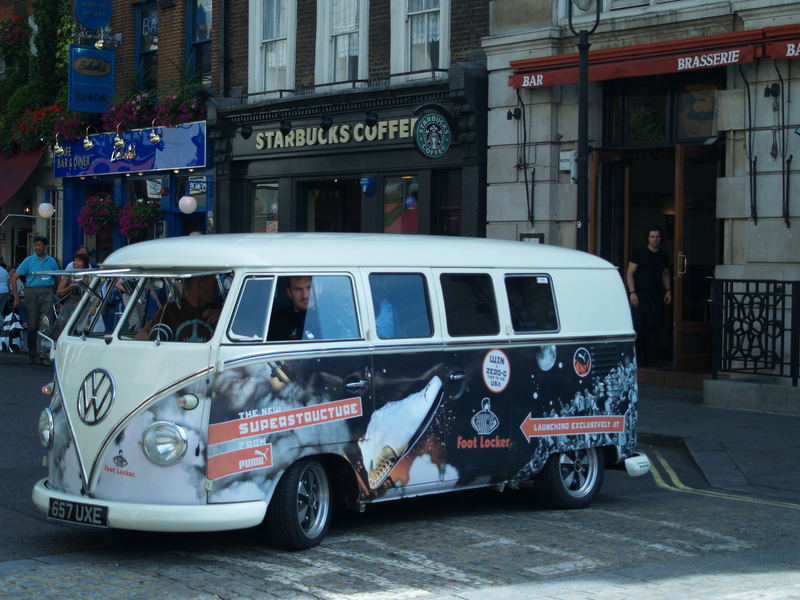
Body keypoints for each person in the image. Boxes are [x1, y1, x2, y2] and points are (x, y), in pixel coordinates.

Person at [626, 226, 672, 367]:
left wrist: (668, 290)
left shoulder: (663, 255)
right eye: (652, 236)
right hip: (640, 295)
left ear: (661, 238)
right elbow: (630, 273)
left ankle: (653, 358)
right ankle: (637, 357)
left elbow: (665, 273)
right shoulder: (640, 252)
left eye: (657, 237)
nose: (655, 239)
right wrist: (632, 293)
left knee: (655, 326)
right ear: (648, 238)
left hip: (656, 295)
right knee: (639, 325)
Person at [10, 236, 59, 365]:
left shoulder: (52, 261)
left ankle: (44, 354)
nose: (37, 247)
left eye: (39, 245)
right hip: (31, 293)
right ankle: (32, 353)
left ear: (45, 247)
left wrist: (58, 295)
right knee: (32, 325)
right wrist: (16, 297)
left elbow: (58, 278)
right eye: (35, 245)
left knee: (46, 323)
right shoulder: (28, 261)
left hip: (47, 291)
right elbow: (14, 278)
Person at [135, 275, 221, 342]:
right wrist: (162, 339)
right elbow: (141, 336)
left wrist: (222, 315)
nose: (217, 290)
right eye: (213, 286)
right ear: (199, 286)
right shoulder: (171, 310)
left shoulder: (220, 310)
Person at [51, 252, 91, 340]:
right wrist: (69, 287)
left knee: (80, 327)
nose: (76, 263)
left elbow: (93, 292)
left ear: (85, 264)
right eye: (75, 261)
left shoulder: (88, 276)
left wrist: (94, 306)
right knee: (62, 325)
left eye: (79, 261)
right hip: (70, 304)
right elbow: (59, 292)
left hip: (83, 305)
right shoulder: (68, 275)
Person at [268, 276, 316, 341]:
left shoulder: (330, 318)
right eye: (298, 289)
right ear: (289, 292)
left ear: (319, 288)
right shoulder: (278, 319)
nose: (305, 295)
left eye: (309, 287)